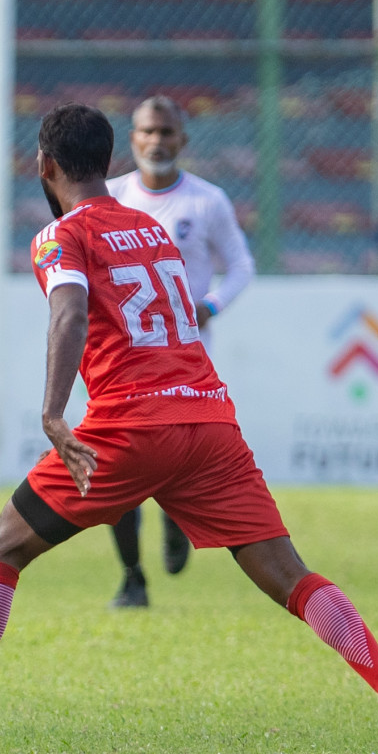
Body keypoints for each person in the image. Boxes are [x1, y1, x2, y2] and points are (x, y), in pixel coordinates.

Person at [0, 104, 378, 754]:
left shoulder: (58, 236)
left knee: (2, 546)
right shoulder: (148, 225)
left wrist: (55, 411)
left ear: (44, 166)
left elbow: (70, 312)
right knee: (290, 576)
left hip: (132, 422)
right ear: (112, 161)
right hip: (209, 418)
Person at [103, 95, 255, 607]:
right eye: (148, 131)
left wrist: (209, 305)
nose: (157, 141)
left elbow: (241, 267)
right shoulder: (110, 198)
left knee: (175, 460)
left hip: (187, 360)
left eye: (167, 133)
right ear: (133, 139)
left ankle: (174, 522)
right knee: (119, 467)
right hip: (123, 362)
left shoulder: (207, 201)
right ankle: (132, 577)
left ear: (183, 141)